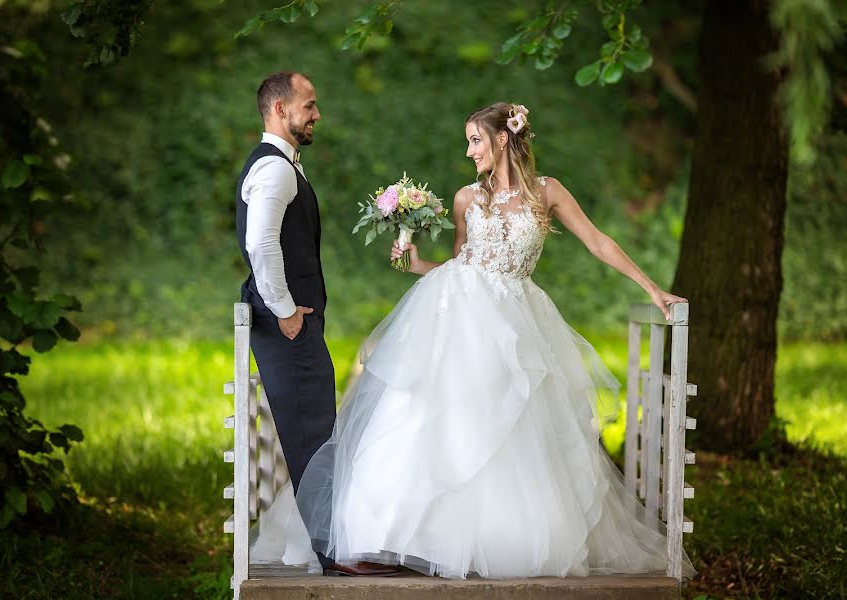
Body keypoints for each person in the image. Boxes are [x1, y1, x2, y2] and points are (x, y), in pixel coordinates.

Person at [253, 101, 697, 579]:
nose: (469, 152)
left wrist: (653, 290)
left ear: (503, 139)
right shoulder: (467, 198)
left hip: (516, 322)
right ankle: (391, 537)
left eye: (476, 141)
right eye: (468, 142)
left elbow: (598, 241)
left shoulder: (547, 192)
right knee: (428, 420)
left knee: (512, 425)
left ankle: (497, 537)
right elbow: (461, 263)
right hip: (455, 319)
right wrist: (415, 262)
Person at [236, 71, 400, 577]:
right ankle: (335, 557)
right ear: (280, 110)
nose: (317, 114)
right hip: (285, 325)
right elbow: (260, 244)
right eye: (309, 105)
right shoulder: (276, 171)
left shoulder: (281, 165)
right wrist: (285, 312)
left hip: (289, 323)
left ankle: (335, 548)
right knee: (312, 436)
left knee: (316, 430)